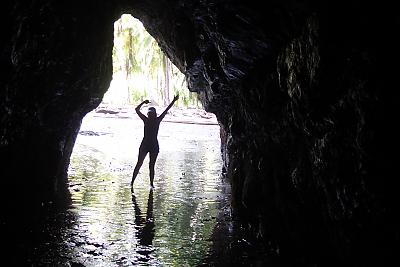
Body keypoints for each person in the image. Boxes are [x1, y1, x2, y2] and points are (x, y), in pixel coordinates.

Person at [131, 94, 179, 188]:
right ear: (149, 114)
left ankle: (150, 184)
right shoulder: (152, 120)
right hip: (147, 145)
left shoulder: (153, 120)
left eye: (151, 114)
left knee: (149, 165)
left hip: (151, 145)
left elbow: (166, 110)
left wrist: (143, 103)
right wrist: (173, 101)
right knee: (141, 164)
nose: (150, 115)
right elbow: (137, 110)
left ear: (154, 114)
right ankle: (133, 183)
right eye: (149, 113)